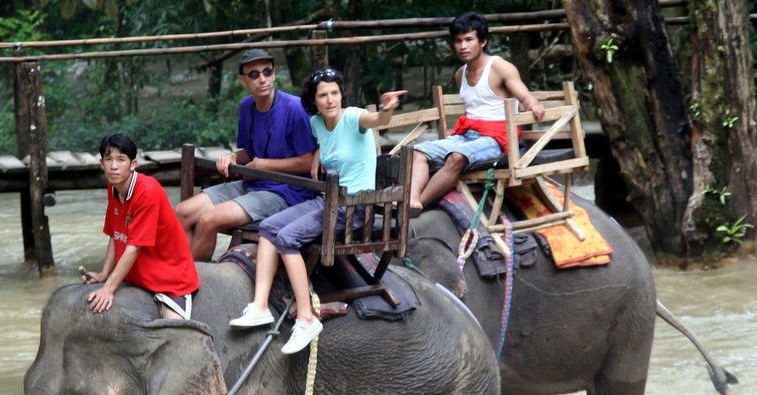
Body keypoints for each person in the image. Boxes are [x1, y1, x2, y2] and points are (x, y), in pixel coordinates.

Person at [229, 68, 406, 354]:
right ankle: (260, 306)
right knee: (268, 228)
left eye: (334, 93)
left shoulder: (353, 117)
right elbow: (313, 143)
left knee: (287, 238)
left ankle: (306, 316)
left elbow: (377, 120)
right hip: (327, 200)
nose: (330, 99)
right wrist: (315, 154)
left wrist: (386, 109)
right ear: (314, 100)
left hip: (354, 207)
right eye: (323, 95)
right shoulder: (315, 123)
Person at [84, 133, 200, 395]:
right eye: (108, 159)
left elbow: (134, 247)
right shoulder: (113, 189)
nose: (113, 165)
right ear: (101, 163)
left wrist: (110, 289)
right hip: (136, 276)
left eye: (121, 159)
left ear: (133, 164)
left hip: (168, 277)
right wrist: (104, 274)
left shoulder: (147, 191)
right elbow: (115, 235)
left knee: (174, 345)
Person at [175, 48, 318, 261]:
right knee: (181, 212)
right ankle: (182, 270)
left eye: (267, 72)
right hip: (253, 184)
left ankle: (187, 284)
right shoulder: (247, 106)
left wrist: (264, 166)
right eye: (254, 74)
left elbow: (309, 161)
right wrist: (233, 157)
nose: (262, 79)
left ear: (274, 74)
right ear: (243, 80)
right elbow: (250, 151)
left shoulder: (295, 108)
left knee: (208, 220)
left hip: (287, 191)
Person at [409, 11, 547, 213]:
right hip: (468, 137)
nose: (462, 46)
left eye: (468, 40)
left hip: (497, 139)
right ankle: (411, 200)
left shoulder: (500, 67)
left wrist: (533, 105)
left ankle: (418, 204)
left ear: (482, 42)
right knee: (417, 152)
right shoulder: (460, 75)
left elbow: (526, 97)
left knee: (456, 157)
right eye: (458, 41)